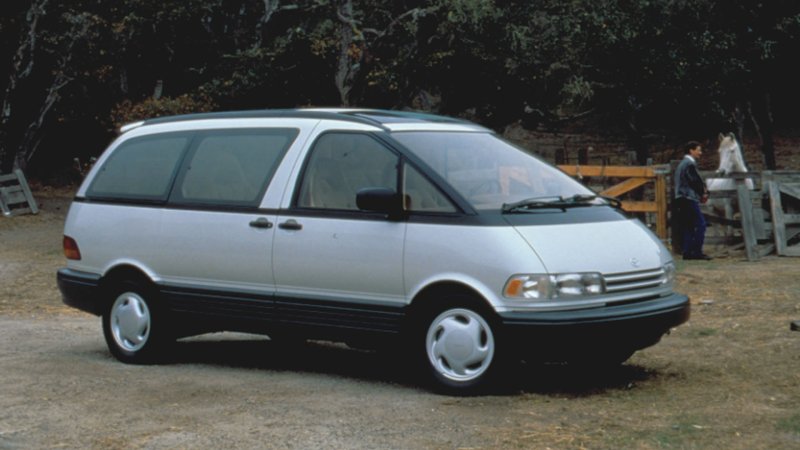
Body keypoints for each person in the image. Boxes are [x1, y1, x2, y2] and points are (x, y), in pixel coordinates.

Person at [674, 141, 712, 260]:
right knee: (700, 224)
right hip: (688, 197)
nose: (700, 153)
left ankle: (687, 252)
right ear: (691, 150)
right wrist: (703, 193)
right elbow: (694, 181)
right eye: (698, 150)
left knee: (688, 226)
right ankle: (696, 252)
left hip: (681, 198)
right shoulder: (689, 164)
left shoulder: (681, 164)